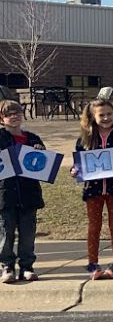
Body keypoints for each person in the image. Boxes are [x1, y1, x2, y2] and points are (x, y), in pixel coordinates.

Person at [72, 98, 113, 280]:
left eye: (109, 114)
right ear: (92, 117)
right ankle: (92, 263)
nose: (106, 118)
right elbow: (78, 164)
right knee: (94, 226)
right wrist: (75, 170)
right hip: (93, 190)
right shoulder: (85, 138)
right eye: (101, 115)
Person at [0, 101, 46, 284]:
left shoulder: (33, 138)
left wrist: (40, 151)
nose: (14, 116)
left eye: (17, 112)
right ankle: (7, 266)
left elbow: (43, 163)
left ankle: (27, 266)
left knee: (28, 233)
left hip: (29, 194)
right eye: (8, 113)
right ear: (1, 118)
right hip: (5, 194)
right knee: (5, 232)